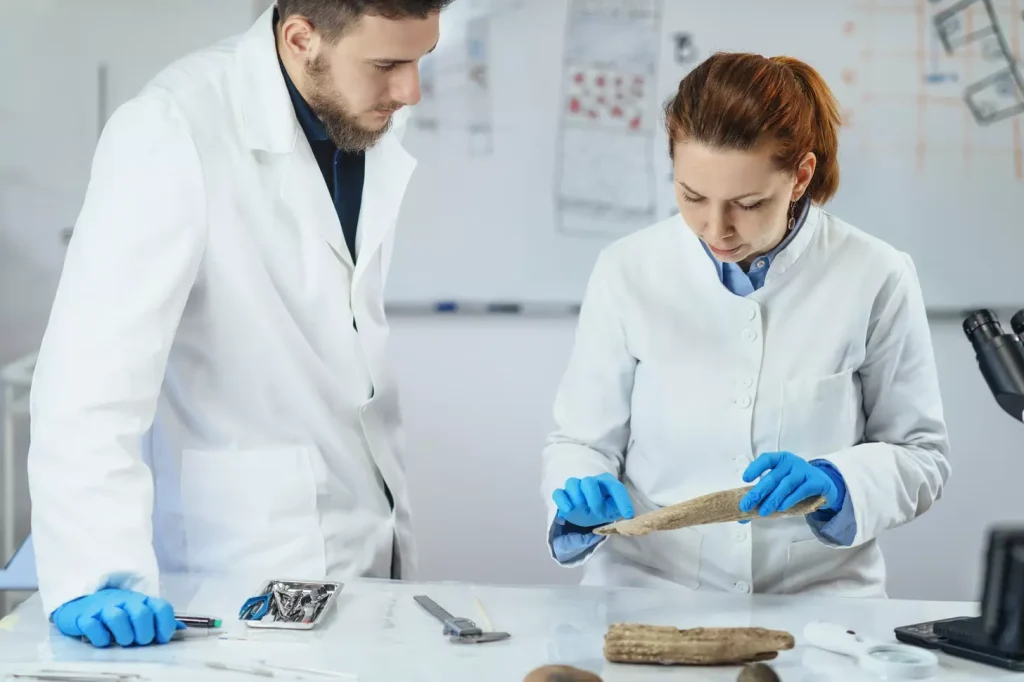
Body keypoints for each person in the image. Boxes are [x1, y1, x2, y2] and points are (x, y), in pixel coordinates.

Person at [26, 0, 451, 648]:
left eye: (420, 60)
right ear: (301, 37)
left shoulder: (355, 118)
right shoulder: (174, 128)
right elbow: (91, 378)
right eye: (388, 64)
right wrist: (93, 567)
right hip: (242, 558)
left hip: (368, 541)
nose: (410, 91)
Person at [540, 52, 951, 597]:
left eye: (749, 203)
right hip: (650, 590)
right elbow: (581, 439)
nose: (716, 228)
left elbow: (920, 454)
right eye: (692, 196)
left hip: (818, 602)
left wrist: (839, 482)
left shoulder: (875, 274)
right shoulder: (628, 269)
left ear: (800, 176)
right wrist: (579, 490)